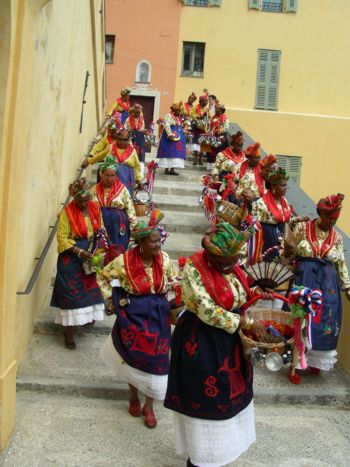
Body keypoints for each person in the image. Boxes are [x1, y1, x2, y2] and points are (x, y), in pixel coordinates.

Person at [164, 221, 276, 467]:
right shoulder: (194, 268)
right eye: (224, 261)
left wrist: (257, 291)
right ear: (209, 253)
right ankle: (200, 458)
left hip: (230, 341)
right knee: (207, 399)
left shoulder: (232, 267)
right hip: (202, 341)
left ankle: (217, 455)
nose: (229, 266)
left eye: (233, 261)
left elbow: (239, 293)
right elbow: (207, 310)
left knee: (229, 395)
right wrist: (246, 322)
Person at [98, 211, 177, 428]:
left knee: (157, 362)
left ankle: (149, 405)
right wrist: (111, 301)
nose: (158, 245)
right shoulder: (123, 262)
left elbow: (172, 280)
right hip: (133, 315)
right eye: (153, 242)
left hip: (159, 315)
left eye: (159, 241)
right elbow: (102, 276)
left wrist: (177, 287)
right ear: (141, 243)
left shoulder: (165, 259)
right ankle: (133, 395)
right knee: (132, 357)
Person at [287, 194, 350, 384]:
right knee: (301, 320)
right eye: (329, 217)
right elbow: (289, 253)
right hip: (304, 279)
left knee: (324, 322)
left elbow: (340, 263)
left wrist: (347, 286)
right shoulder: (303, 229)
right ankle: (294, 366)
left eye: (335, 219)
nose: (332, 222)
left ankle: (315, 362)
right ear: (320, 213)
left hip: (327, 284)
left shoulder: (337, 238)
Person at [51, 178, 105, 350]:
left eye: (86, 199)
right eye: (80, 201)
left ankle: (88, 319)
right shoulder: (67, 212)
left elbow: (101, 228)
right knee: (72, 296)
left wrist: (99, 248)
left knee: (92, 290)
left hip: (92, 252)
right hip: (72, 256)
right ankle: (68, 334)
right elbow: (62, 238)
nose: (84, 203)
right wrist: (80, 252)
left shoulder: (95, 207)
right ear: (74, 198)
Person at [91, 156, 137, 251]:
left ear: (116, 176)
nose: (110, 178)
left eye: (112, 175)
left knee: (117, 251)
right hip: (100, 224)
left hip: (118, 224)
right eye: (107, 175)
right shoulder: (94, 189)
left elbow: (130, 208)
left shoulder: (123, 190)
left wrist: (133, 226)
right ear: (101, 175)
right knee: (101, 251)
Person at [82, 128, 141, 197]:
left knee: (124, 197)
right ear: (116, 139)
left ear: (128, 140)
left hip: (126, 178)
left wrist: (138, 179)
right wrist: (89, 161)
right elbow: (100, 155)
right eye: (120, 139)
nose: (122, 142)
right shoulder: (111, 147)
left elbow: (137, 166)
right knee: (109, 196)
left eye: (125, 140)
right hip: (110, 177)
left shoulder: (132, 151)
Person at [251, 167, 293, 261]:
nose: (285, 188)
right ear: (273, 186)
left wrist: (298, 219)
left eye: (286, 185)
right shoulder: (261, 203)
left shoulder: (284, 201)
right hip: (268, 240)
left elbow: (286, 219)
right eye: (282, 185)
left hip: (282, 238)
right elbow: (253, 225)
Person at [157, 102, 187, 176]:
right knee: (168, 151)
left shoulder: (178, 118)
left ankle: (172, 169)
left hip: (178, 138)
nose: (179, 112)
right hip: (169, 137)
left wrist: (184, 131)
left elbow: (179, 127)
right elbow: (166, 125)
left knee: (176, 153)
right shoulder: (168, 116)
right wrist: (169, 134)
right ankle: (166, 169)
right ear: (174, 111)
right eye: (178, 111)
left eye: (179, 111)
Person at [125, 103, 146, 178]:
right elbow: (125, 129)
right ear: (132, 112)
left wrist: (144, 132)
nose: (137, 114)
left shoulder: (142, 120)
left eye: (138, 112)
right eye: (135, 112)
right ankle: (129, 173)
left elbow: (142, 129)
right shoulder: (128, 119)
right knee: (129, 154)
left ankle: (139, 174)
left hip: (140, 140)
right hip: (130, 139)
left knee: (140, 156)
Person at [206, 103, 229, 170]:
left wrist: (218, 131)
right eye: (215, 108)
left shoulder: (225, 117)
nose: (216, 110)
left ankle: (217, 167)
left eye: (217, 108)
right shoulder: (213, 117)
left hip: (220, 136)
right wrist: (210, 131)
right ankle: (210, 167)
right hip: (212, 136)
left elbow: (226, 127)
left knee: (219, 151)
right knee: (210, 151)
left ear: (221, 110)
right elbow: (210, 125)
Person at [192, 94, 209, 166]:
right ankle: (196, 158)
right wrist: (200, 115)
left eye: (207, 101)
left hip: (204, 129)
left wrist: (207, 116)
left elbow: (209, 117)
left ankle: (200, 158)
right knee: (196, 144)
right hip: (197, 128)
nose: (206, 102)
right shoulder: (196, 107)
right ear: (201, 101)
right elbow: (192, 115)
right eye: (205, 101)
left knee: (203, 144)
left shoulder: (207, 109)